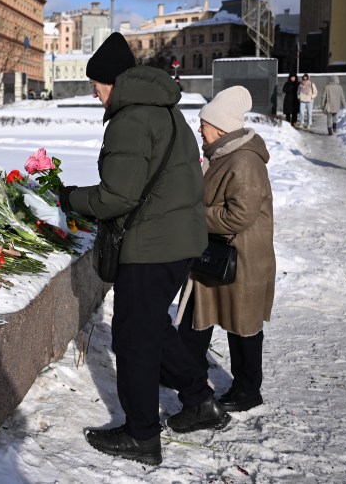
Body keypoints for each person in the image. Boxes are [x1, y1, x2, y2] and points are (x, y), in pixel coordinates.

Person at [58, 33, 228, 466]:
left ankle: (141, 436)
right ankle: (198, 400)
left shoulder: (130, 120)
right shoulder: (167, 112)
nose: (94, 94)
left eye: (96, 84)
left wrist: (69, 198)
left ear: (112, 81)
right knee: (152, 327)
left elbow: (116, 196)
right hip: (179, 241)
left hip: (152, 246)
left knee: (133, 339)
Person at [175, 86, 276, 414]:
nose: (199, 129)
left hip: (242, 257)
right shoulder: (223, 154)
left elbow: (239, 216)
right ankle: (188, 376)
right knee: (199, 317)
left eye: (203, 124)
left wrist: (194, 217)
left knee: (243, 325)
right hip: (220, 253)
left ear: (220, 127)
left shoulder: (243, 160)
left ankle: (248, 390)